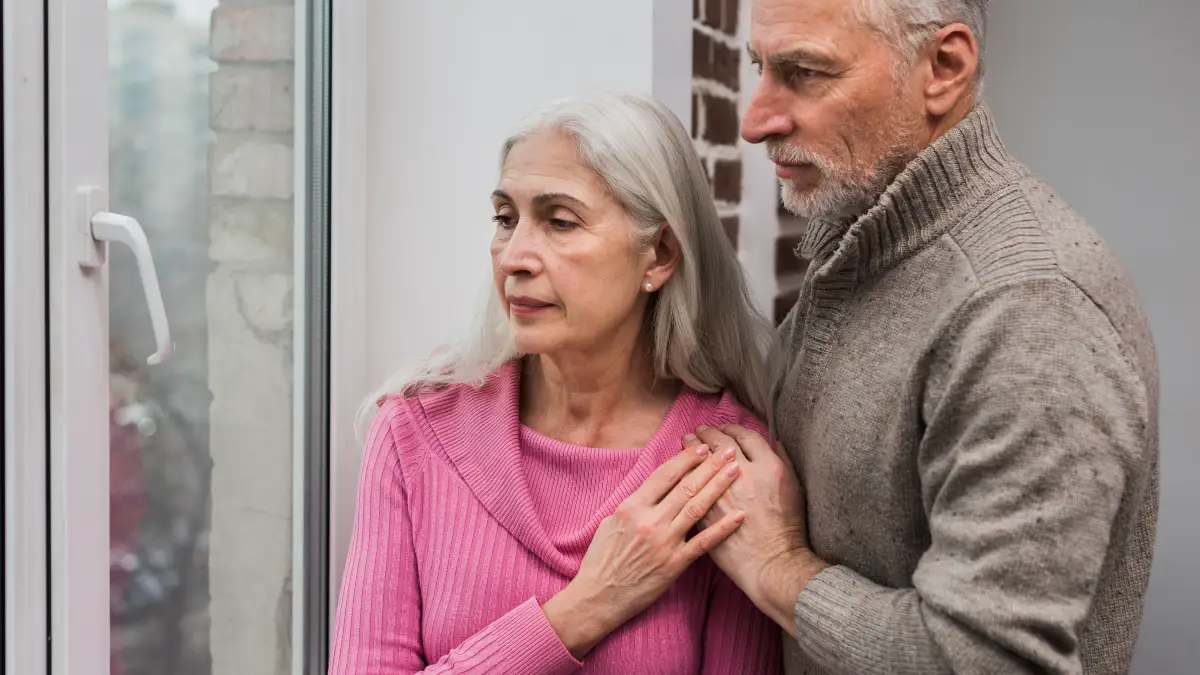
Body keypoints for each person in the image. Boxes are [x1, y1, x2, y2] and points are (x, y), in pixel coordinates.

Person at [678, 1, 1160, 674]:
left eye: (805, 72)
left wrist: (776, 566)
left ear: (943, 67)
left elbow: (984, 661)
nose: (756, 119)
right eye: (760, 68)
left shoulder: (1027, 310)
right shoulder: (869, 239)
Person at [328, 92, 782, 674]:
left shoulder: (724, 466)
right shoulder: (415, 432)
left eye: (559, 221)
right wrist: (586, 608)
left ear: (660, 254)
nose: (514, 256)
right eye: (505, 218)